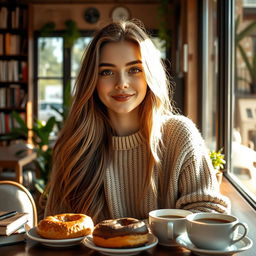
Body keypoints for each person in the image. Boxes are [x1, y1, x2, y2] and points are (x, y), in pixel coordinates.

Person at [44, 19, 230, 223]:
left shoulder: (179, 135)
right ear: (92, 81)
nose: (121, 84)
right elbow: (57, 226)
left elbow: (209, 214)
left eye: (134, 69)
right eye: (107, 72)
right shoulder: (75, 146)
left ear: (150, 75)